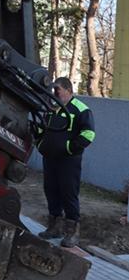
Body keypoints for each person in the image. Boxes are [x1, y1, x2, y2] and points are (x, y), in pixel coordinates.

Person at [35, 77, 95, 248]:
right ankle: (54, 227)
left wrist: (69, 148)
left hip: (69, 161)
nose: (55, 93)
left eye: (58, 90)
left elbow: (89, 134)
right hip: (50, 158)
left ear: (68, 90)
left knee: (69, 193)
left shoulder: (81, 110)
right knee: (51, 190)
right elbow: (40, 129)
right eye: (53, 91)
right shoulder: (51, 108)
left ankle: (72, 232)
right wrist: (40, 144)